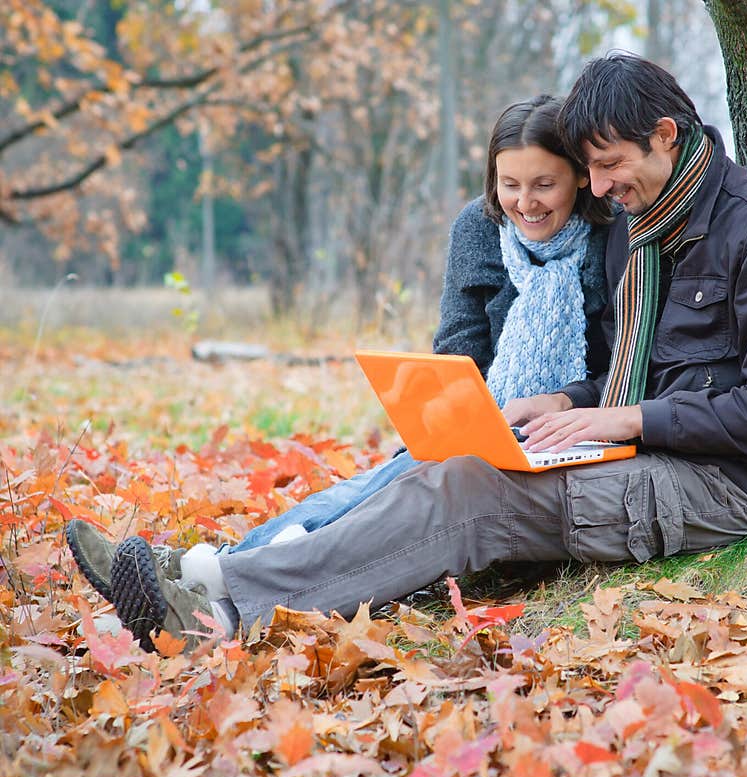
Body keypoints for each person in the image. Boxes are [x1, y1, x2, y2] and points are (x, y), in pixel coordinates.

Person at [70, 52, 747, 653]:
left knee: (470, 492)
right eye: (593, 169)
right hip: (634, 448)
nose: (599, 188)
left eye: (609, 166)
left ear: (666, 135)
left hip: (718, 484)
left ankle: (222, 603)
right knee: (446, 460)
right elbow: (619, 369)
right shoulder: (640, 228)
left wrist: (622, 418)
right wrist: (570, 402)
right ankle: (213, 579)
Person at [65, 94, 611, 643]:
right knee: (373, 485)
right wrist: (451, 409)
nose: (525, 202)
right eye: (509, 184)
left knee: (392, 484)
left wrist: (561, 401)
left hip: (560, 435)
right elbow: (458, 348)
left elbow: (620, 366)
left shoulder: (610, 241)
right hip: (482, 418)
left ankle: (198, 576)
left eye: (544, 185)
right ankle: (189, 580)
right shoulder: (479, 226)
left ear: (581, 179)